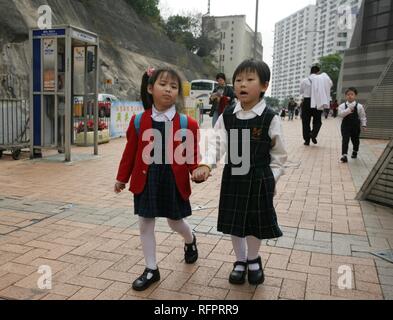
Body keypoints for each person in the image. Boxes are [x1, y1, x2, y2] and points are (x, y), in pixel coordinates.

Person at [192, 59, 287, 286]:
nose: (242, 84)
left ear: (264, 86)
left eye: (250, 79)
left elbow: (279, 155)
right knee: (235, 221)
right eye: (238, 80)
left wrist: (270, 180)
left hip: (259, 178)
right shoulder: (228, 115)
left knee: (255, 223)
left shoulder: (270, 118)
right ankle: (240, 260)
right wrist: (206, 164)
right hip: (234, 177)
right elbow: (216, 143)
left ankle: (254, 260)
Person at [115, 68, 200, 291]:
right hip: (147, 179)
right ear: (150, 88)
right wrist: (121, 178)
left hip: (173, 179)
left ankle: (190, 240)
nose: (169, 89)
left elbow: (191, 155)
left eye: (174, 86)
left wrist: (197, 171)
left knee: (175, 222)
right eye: (164, 84)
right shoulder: (138, 121)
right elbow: (130, 153)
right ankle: (151, 268)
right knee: (145, 223)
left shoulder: (187, 123)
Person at [300, 65, 333, 145]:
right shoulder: (322, 80)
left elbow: (301, 92)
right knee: (318, 121)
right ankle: (313, 134)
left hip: (307, 102)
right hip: (317, 101)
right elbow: (330, 84)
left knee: (305, 122)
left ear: (310, 71)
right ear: (318, 72)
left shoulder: (304, 80)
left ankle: (307, 140)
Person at [338, 87, 367, 163]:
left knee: (355, 140)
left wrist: (364, 125)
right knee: (345, 140)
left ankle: (355, 150)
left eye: (352, 94)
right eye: (348, 94)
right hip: (345, 126)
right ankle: (344, 155)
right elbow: (340, 114)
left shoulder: (359, 106)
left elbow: (362, 116)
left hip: (355, 126)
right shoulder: (342, 106)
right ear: (345, 96)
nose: (350, 96)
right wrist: (348, 110)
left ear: (355, 96)